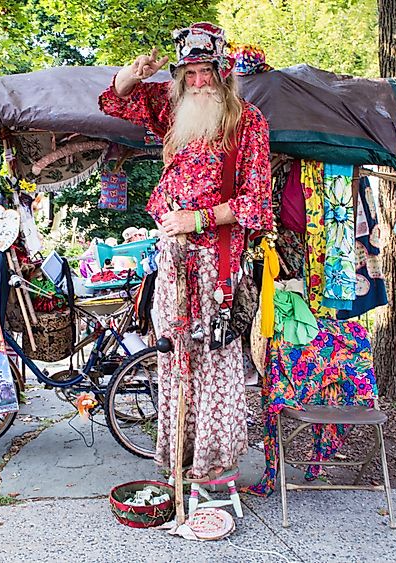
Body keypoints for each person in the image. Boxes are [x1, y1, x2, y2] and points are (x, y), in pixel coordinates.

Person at [99, 22, 272, 481]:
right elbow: (115, 100)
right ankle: (179, 460)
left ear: (223, 72)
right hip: (173, 257)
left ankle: (214, 466)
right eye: (189, 73)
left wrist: (195, 219)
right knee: (175, 355)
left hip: (217, 258)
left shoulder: (247, 121)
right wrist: (133, 73)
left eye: (206, 71)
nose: (198, 81)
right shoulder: (173, 111)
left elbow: (256, 203)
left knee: (214, 356)